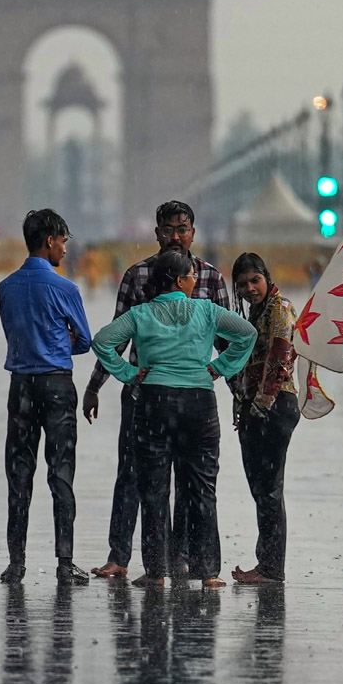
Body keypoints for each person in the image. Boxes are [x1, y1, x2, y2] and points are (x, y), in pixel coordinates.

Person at [83, 200, 231, 581]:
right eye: (168, 229)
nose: (176, 237)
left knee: (187, 479)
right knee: (133, 474)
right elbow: (115, 336)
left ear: (193, 233)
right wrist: (98, 383)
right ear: (157, 233)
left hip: (191, 394)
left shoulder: (211, 279)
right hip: (142, 392)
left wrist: (230, 383)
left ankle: (176, 556)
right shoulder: (138, 274)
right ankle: (120, 555)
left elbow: (228, 342)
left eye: (182, 229)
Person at [92, 251, 256, 588]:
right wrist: (221, 367)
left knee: (154, 488)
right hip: (199, 403)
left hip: (154, 402)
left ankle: (157, 572)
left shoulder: (140, 314)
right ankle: (209, 571)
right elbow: (247, 334)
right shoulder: (207, 311)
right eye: (191, 275)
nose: (195, 279)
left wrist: (128, 373)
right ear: (180, 281)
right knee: (201, 488)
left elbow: (103, 342)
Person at [0, 209, 93, 585]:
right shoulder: (65, 288)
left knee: (19, 473)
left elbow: (13, 330)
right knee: (61, 472)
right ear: (50, 240)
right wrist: (59, 339)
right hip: (56, 384)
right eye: (64, 241)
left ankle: (16, 562)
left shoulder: (7, 287)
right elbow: (84, 339)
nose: (65, 249)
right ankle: (65, 562)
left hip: (21, 384)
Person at [228, 253, 302, 584]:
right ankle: (267, 563)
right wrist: (242, 404)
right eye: (242, 285)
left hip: (275, 406)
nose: (249, 289)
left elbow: (281, 355)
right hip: (254, 408)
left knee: (270, 488)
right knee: (261, 488)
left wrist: (261, 403)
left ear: (266, 277)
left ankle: (272, 568)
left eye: (254, 281)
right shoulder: (254, 313)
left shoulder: (279, 308)